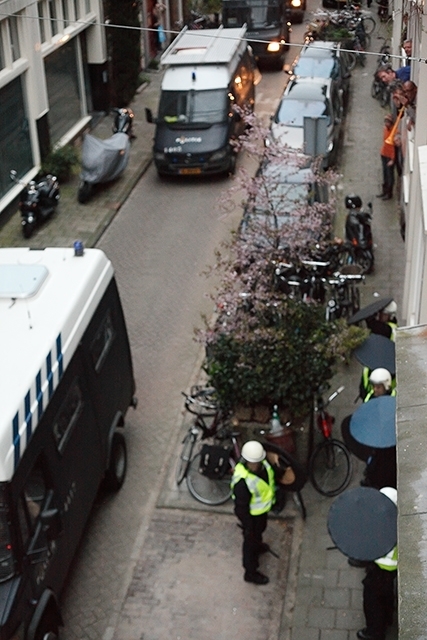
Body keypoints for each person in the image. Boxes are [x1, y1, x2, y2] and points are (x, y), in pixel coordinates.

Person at [231, 440, 276, 585]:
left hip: (261, 512)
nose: (256, 465)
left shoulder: (263, 465)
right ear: (247, 461)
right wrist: (248, 526)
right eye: (253, 463)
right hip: (251, 517)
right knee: (249, 543)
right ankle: (250, 572)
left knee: (260, 532)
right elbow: (241, 508)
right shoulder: (242, 481)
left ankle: (257, 545)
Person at [357, 487, 398, 640]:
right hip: (392, 568)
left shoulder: (383, 524)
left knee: (372, 599)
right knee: (386, 592)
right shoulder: (398, 520)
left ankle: (374, 632)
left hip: (381, 566)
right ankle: (388, 617)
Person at [376, 114, 395, 200]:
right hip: (383, 154)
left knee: (389, 175)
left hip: (389, 156)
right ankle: (384, 191)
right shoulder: (385, 130)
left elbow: (394, 147)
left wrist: (392, 159)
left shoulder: (394, 132)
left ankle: (389, 193)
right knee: (385, 174)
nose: (386, 123)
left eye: (388, 122)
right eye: (385, 121)